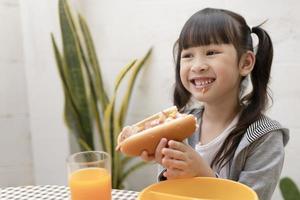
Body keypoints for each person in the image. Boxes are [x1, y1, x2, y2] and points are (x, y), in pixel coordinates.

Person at [140, 8, 289, 200]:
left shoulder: (265, 137)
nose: (197, 65)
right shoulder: (178, 126)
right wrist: (168, 168)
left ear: (245, 63)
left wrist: (202, 173)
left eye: (211, 52)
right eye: (187, 55)